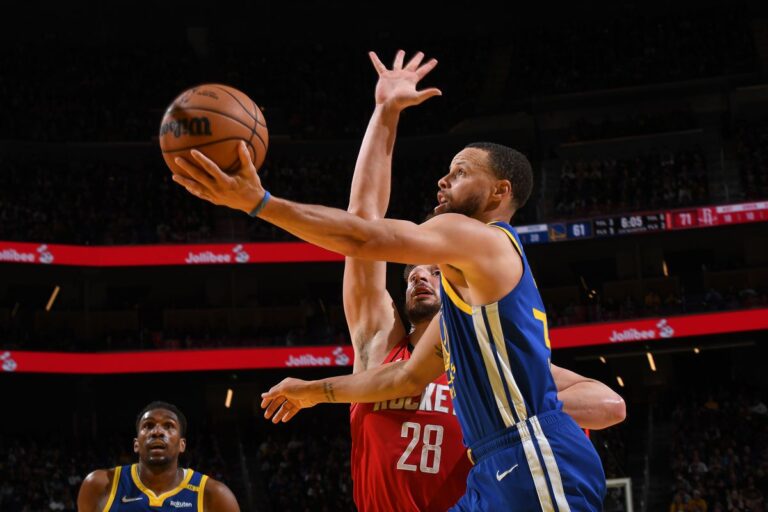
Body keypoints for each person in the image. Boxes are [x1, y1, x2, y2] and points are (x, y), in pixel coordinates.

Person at [172, 49, 617, 510]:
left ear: (499, 192)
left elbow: (363, 235)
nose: (443, 181)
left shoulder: (481, 237)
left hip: (528, 453)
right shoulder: (457, 325)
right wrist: (385, 113)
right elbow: (403, 377)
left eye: (460, 173)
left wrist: (259, 203)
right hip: (494, 468)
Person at [340, 51, 624, 511]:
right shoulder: (378, 343)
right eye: (413, 273)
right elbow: (362, 221)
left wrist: (501, 417)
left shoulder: (486, 361)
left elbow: (610, 404)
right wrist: (385, 113)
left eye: (436, 271)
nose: (421, 276)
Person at [77, 401, 239, 511]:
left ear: (182, 444)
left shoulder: (214, 495)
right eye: (148, 426)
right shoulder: (100, 485)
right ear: (136, 444)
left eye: (168, 426)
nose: (157, 432)